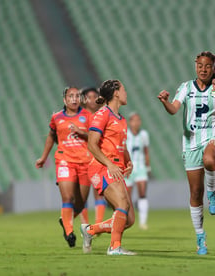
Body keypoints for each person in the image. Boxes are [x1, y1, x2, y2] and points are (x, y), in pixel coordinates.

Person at [157, 51, 215, 255]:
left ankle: (213, 193)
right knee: (195, 194)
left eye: (207, 66)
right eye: (200, 65)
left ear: (214, 67)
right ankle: (200, 237)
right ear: (195, 66)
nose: (203, 69)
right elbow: (174, 109)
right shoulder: (186, 87)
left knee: (209, 159)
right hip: (191, 143)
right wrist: (165, 101)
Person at [80, 79, 136, 256]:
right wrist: (110, 164)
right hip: (101, 167)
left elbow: (122, 146)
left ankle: (90, 230)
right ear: (117, 93)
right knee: (122, 204)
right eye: (124, 89)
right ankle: (114, 247)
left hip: (115, 168)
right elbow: (92, 144)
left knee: (128, 220)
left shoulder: (121, 119)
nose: (126, 93)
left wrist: (129, 161)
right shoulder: (102, 114)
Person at [35, 86, 92, 248]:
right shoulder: (56, 118)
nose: (74, 99)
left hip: (85, 162)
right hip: (64, 160)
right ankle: (69, 232)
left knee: (80, 204)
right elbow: (51, 136)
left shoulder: (88, 116)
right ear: (64, 100)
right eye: (70, 96)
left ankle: (65, 219)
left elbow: (95, 137)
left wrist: (81, 132)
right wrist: (43, 157)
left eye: (77, 96)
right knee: (67, 198)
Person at [80, 87, 106, 224]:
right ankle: (85, 225)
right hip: (82, 159)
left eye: (94, 96)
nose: (92, 99)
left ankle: (98, 224)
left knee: (99, 192)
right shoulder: (80, 115)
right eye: (88, 97)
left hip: (97, 159)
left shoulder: (101, 115)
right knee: (83, 196)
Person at [125, 112, 151, 230]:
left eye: (138, 120)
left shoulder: (144, 134)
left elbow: (146, 151)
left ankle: (143, 222)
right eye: (134, 120)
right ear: (130, 122)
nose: (136, 123)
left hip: (140, 167)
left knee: (142, 193)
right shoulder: (125, 134)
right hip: (128, 168)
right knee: (127, 196)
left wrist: (148, 166)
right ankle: (127, 219)